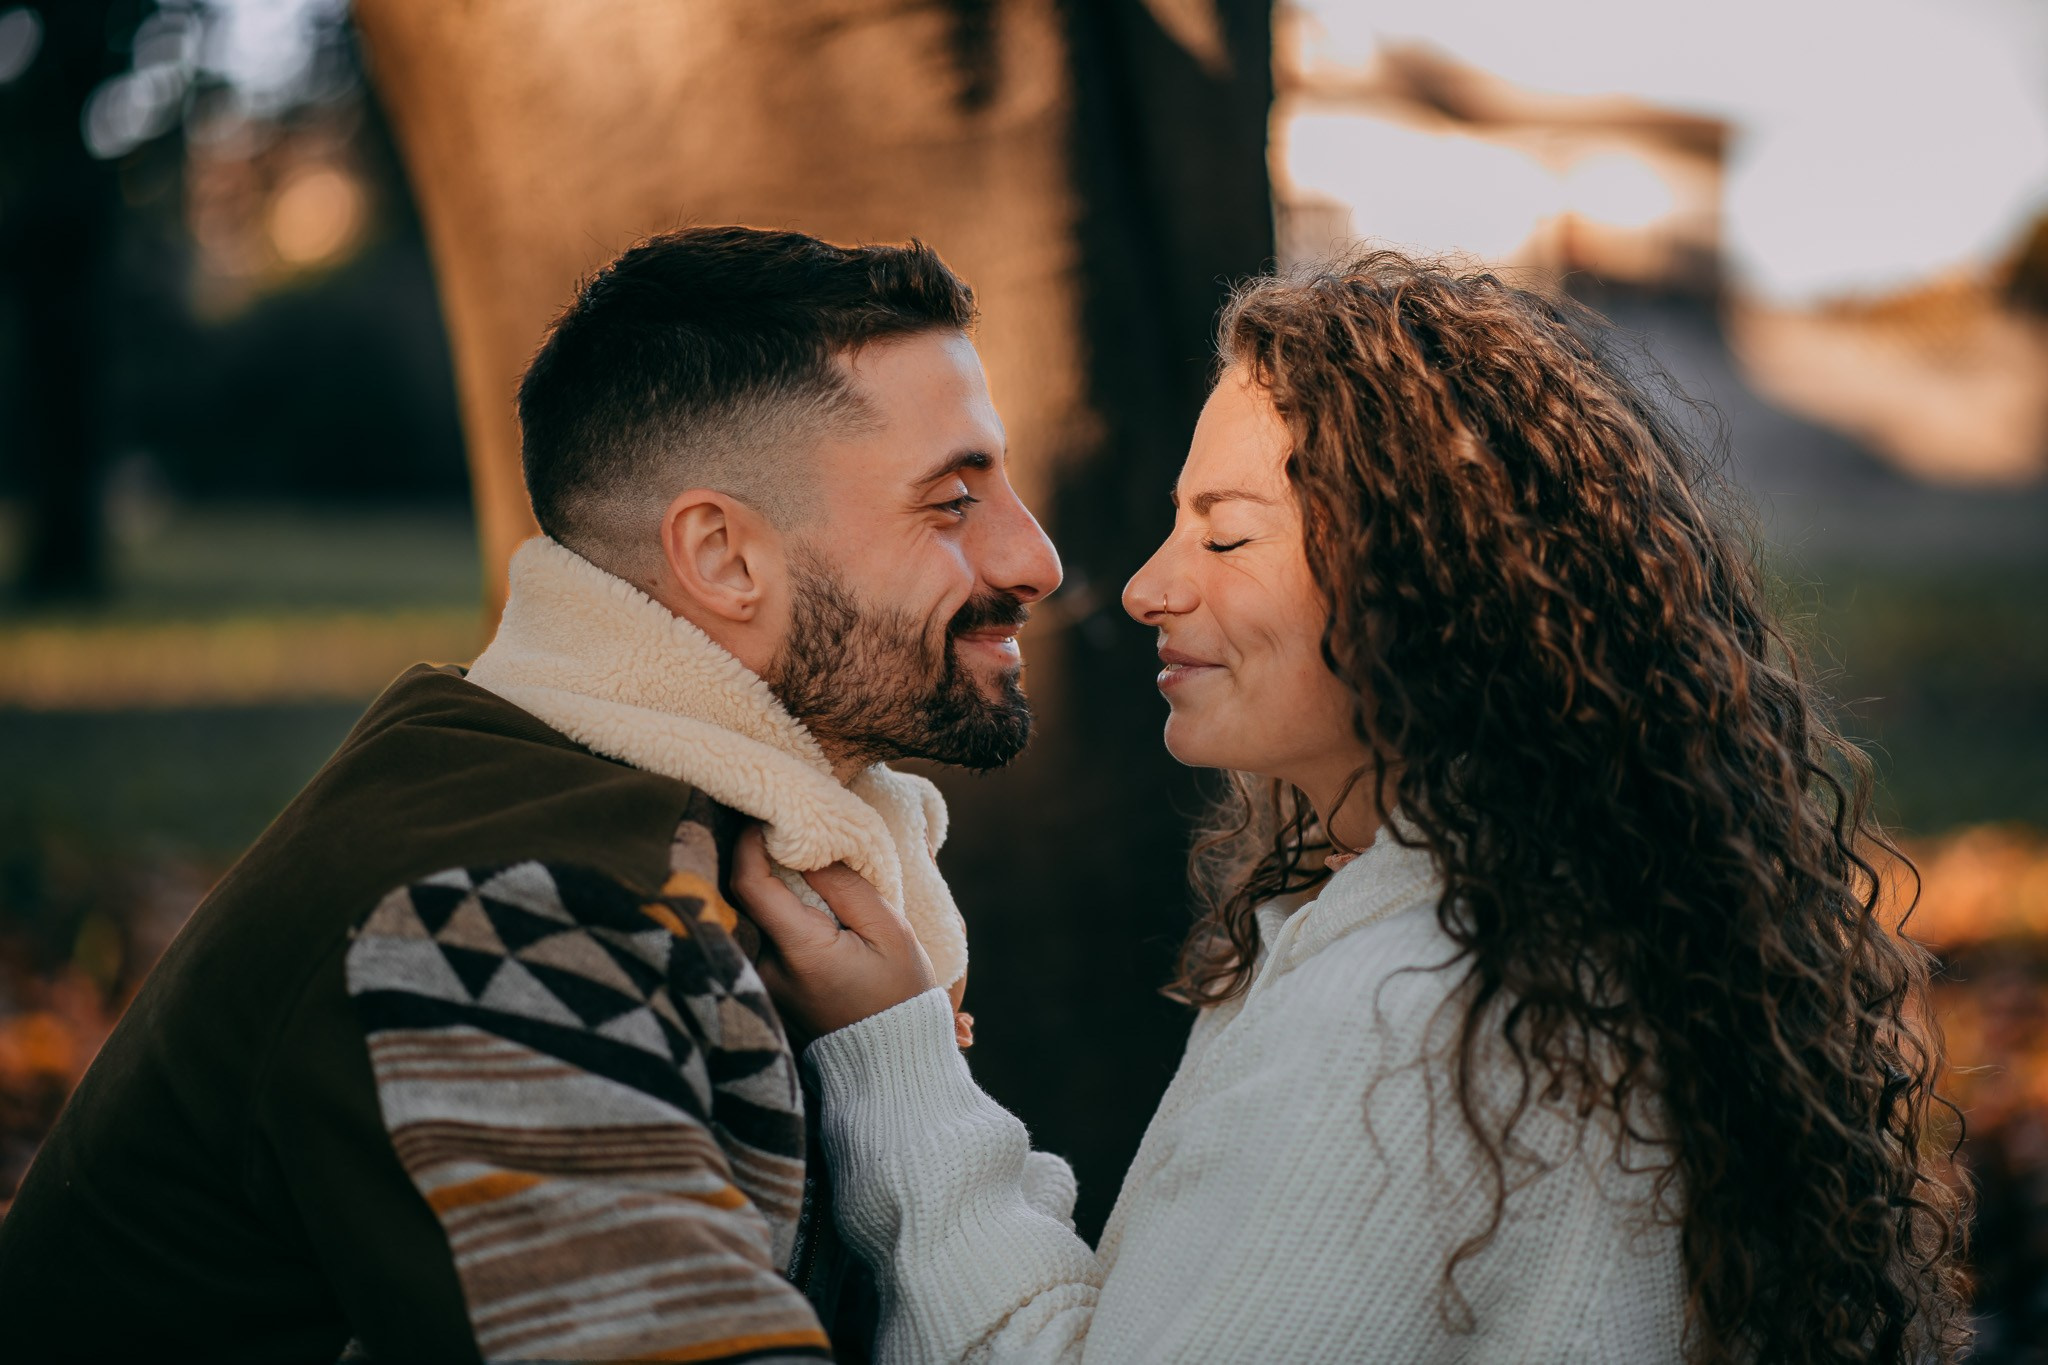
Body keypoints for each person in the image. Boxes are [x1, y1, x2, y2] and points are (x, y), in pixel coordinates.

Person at [735, 252, 1972, 1364]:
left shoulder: (1417, 1001)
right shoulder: (1537, 910)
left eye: (1225, 540)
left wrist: (895, 1063)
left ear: (1423, 574)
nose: (1150, 589)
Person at [0, 226, 1065, 1361]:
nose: (1034, 559)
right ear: (722, 557)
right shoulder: (510, 919)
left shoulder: (698, 828)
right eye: (951, 500)